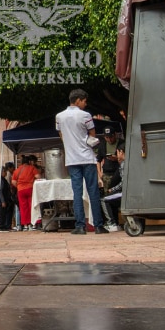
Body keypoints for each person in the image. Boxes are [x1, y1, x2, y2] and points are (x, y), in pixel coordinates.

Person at [54, 89, 105, 235]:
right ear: (78, 100)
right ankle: (98, 225)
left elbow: (61, 134)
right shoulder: (85, 115)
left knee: (77, 193)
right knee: (93, 191)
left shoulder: (59, 116)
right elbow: (92, 134)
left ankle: (80, 225)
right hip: (87, 157)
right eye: (84, 101)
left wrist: (70, 144)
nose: (85, 104)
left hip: (72, 159)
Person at [11, 154, 40, 230]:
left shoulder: (17, 170)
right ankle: (33, 224)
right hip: (30, 188)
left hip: (20, 190)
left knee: (23, 208)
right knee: (32, 206)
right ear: (29, 162)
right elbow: (38, 177)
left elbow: (13, 181)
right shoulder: (32, 168)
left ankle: (25, 225)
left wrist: (18, 186)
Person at [0, 162, 16, 231]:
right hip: (3, 200)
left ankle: (6, 225)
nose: (6, 173)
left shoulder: (3, 179)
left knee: (5, 213)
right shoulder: (0, 180)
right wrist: (3, 201)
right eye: (5, 172)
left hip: (6, 199)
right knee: (2, 213)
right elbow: (0, 190)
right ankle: (2, 226)